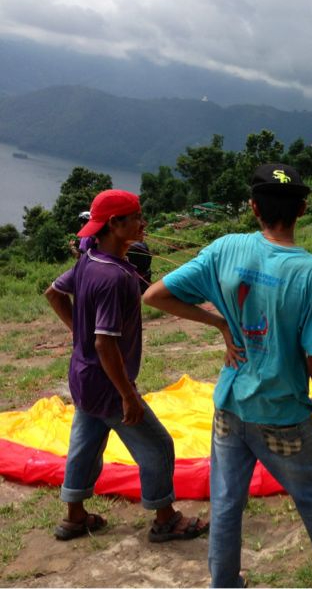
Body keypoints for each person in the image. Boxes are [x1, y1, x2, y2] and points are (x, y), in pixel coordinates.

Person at [143, 164, 312, 588]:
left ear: (254, 207)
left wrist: (221, 323)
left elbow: (155, 295)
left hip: (230, 405)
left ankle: (224, 582)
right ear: (302, 209)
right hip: (283, 413)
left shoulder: (225, 249)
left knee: (226, 502)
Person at [44, 189, 209, 543]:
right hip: (108, 384)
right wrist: (127, 395)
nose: (143, 223)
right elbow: (105, 343)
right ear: (115, 225)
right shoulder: (115, 278)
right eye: (136, 217)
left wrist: (79, 334)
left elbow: (53, 293)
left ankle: (74, 516)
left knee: (85, 444)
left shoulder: (88, 260)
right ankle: (165, 518)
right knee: (158, 445)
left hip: (82, 377)